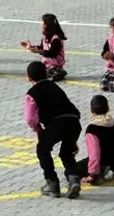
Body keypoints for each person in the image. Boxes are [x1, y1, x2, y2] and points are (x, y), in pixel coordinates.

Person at [23, 62, 82, 199]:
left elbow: (30, 118)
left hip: (56, 124)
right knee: (67, 152)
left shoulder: (32, 94)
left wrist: (38, 129)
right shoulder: (54, 86)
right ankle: (73, 180)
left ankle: (52, 183)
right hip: (73, 121)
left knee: (43, 150)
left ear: (28, 77)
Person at [74, 95, 114, 185]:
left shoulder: (92, 129)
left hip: (102, 160)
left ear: (92, 110)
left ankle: (98, 174)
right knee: (113, 154)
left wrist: (92, 174)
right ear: (107, 108)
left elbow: (94, 154)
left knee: (72, 169)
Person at [21, 14, 68, 81]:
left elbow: (52, 53)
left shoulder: (56, 39)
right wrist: (31, 47)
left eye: (42, 21)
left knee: (42, 76)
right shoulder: (45, 36)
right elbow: (42, 47)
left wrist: (39, 51)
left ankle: (58, 74)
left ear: (47, 24)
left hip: (55, 65)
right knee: (33, 72)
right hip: (46, 64)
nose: (41, 23)